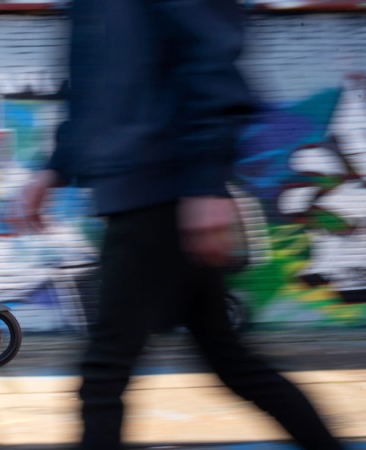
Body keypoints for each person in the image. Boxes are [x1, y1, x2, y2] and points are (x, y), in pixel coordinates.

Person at [24, 1, 344, 449]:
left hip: (161, 190)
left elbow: (209, 59)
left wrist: (204, 184)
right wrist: (55, 166)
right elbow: (94, 83)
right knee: (229, 361)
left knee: (104, 371)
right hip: (142, 189)